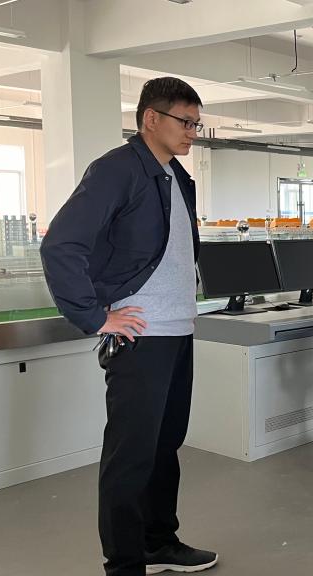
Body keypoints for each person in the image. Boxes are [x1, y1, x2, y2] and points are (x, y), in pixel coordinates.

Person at [40, 77, 217, 575]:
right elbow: (60, 245)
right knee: (131, 455)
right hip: (140, 335)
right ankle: (124, 563)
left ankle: (158, 542)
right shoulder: (117, 169)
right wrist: (95, 316)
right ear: (151, 119)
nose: (193, 132)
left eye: (197, 124)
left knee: (165, 445)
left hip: (177, 330)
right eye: (185, 122)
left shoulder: (176, 176)